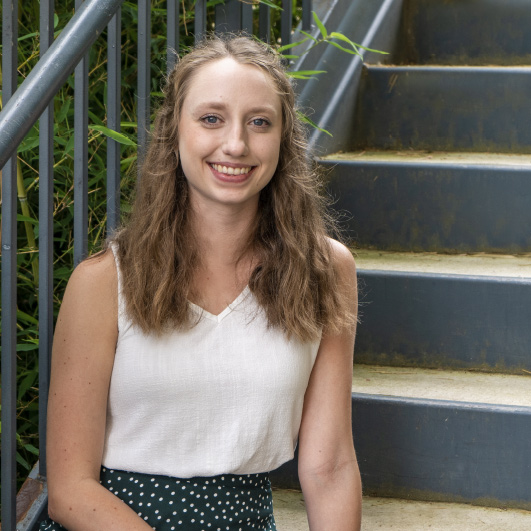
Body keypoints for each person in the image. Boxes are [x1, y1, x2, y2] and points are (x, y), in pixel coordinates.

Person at [40, 34, 362, 531]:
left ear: (283, 138)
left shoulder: (325, 270)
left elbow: (331, 466)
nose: (235, 143)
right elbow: (69, 491)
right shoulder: (104, 281)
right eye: (211, 118)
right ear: (176, 132)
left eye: (259, 122)